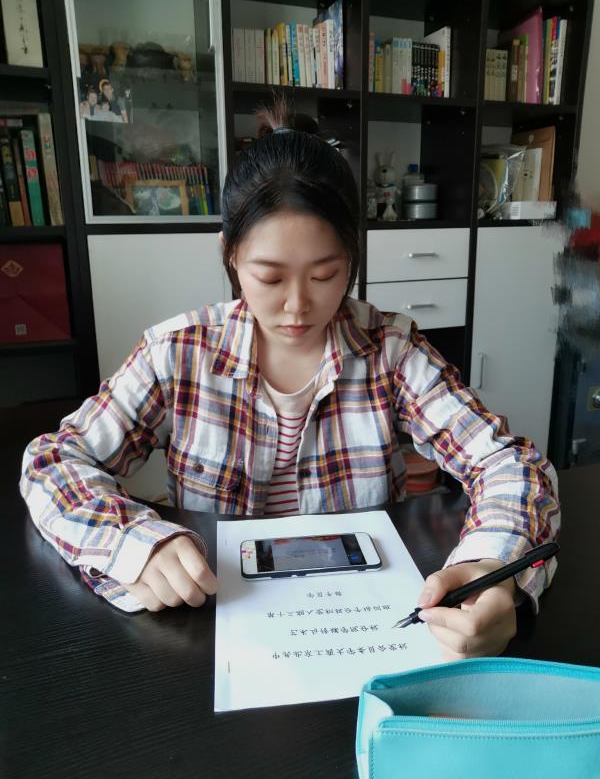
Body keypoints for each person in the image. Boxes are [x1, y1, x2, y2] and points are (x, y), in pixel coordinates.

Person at [20, 98, 560, 660]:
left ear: (352, 257)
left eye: (325, 275)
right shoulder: (177, 354)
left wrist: (493, 567)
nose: (298, 306)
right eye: (270, 277)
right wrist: (132, 545)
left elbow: (509, 463)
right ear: (231, 256)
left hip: (365, 626)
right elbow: (54, 460)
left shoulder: (391, 350)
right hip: (215, 629)